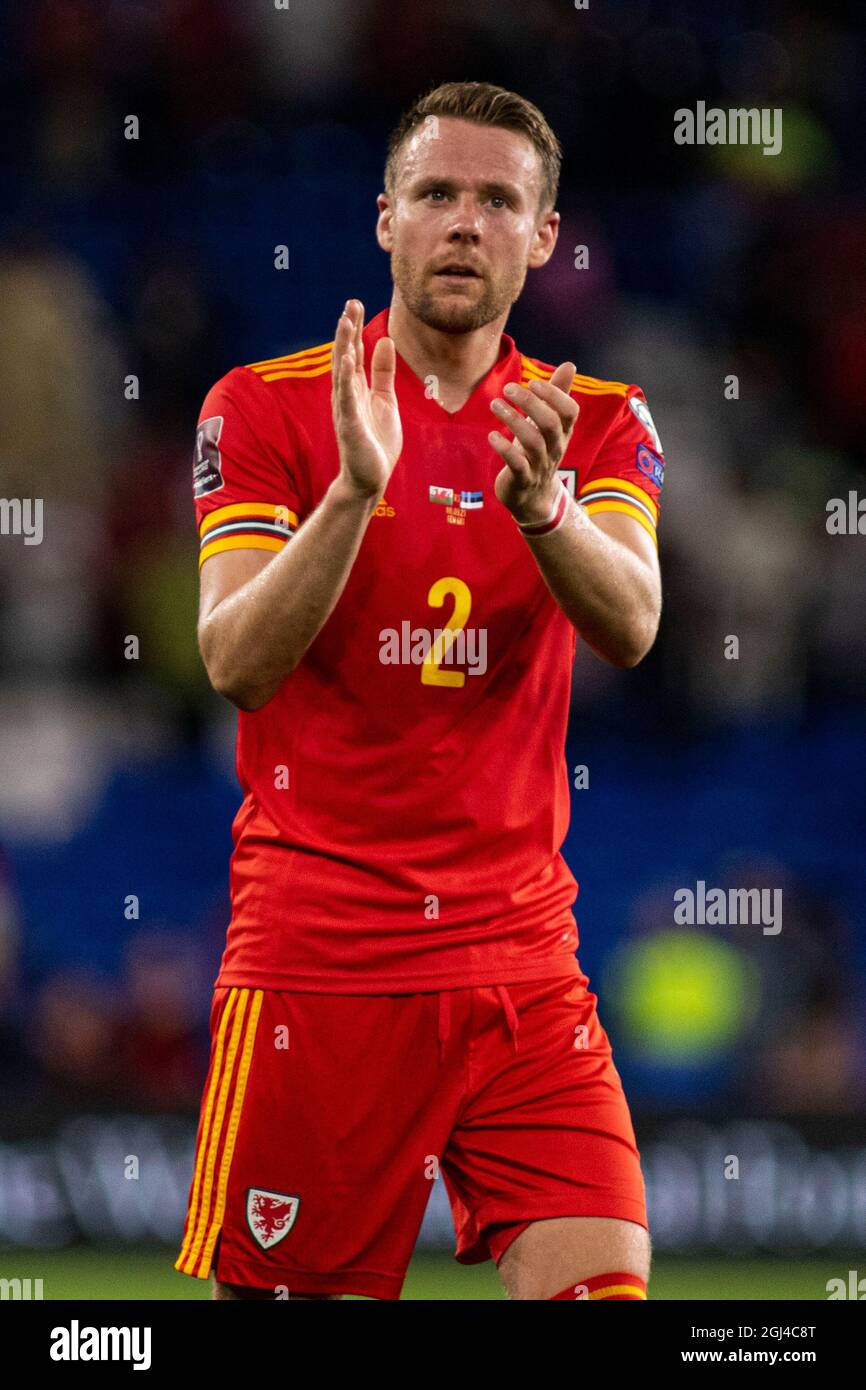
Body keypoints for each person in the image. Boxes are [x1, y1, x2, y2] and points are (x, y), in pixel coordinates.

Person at [175, 81, 664, 1301]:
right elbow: (235, 661)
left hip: (522, 964)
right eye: (437, 193)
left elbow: (633, 624)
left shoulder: (588, 424)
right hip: (322, 964)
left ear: (543, 238)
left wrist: (541, 508)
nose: (464, 222)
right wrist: (352, 491)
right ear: (383, 216)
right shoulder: (265, 406)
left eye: (498, 200)